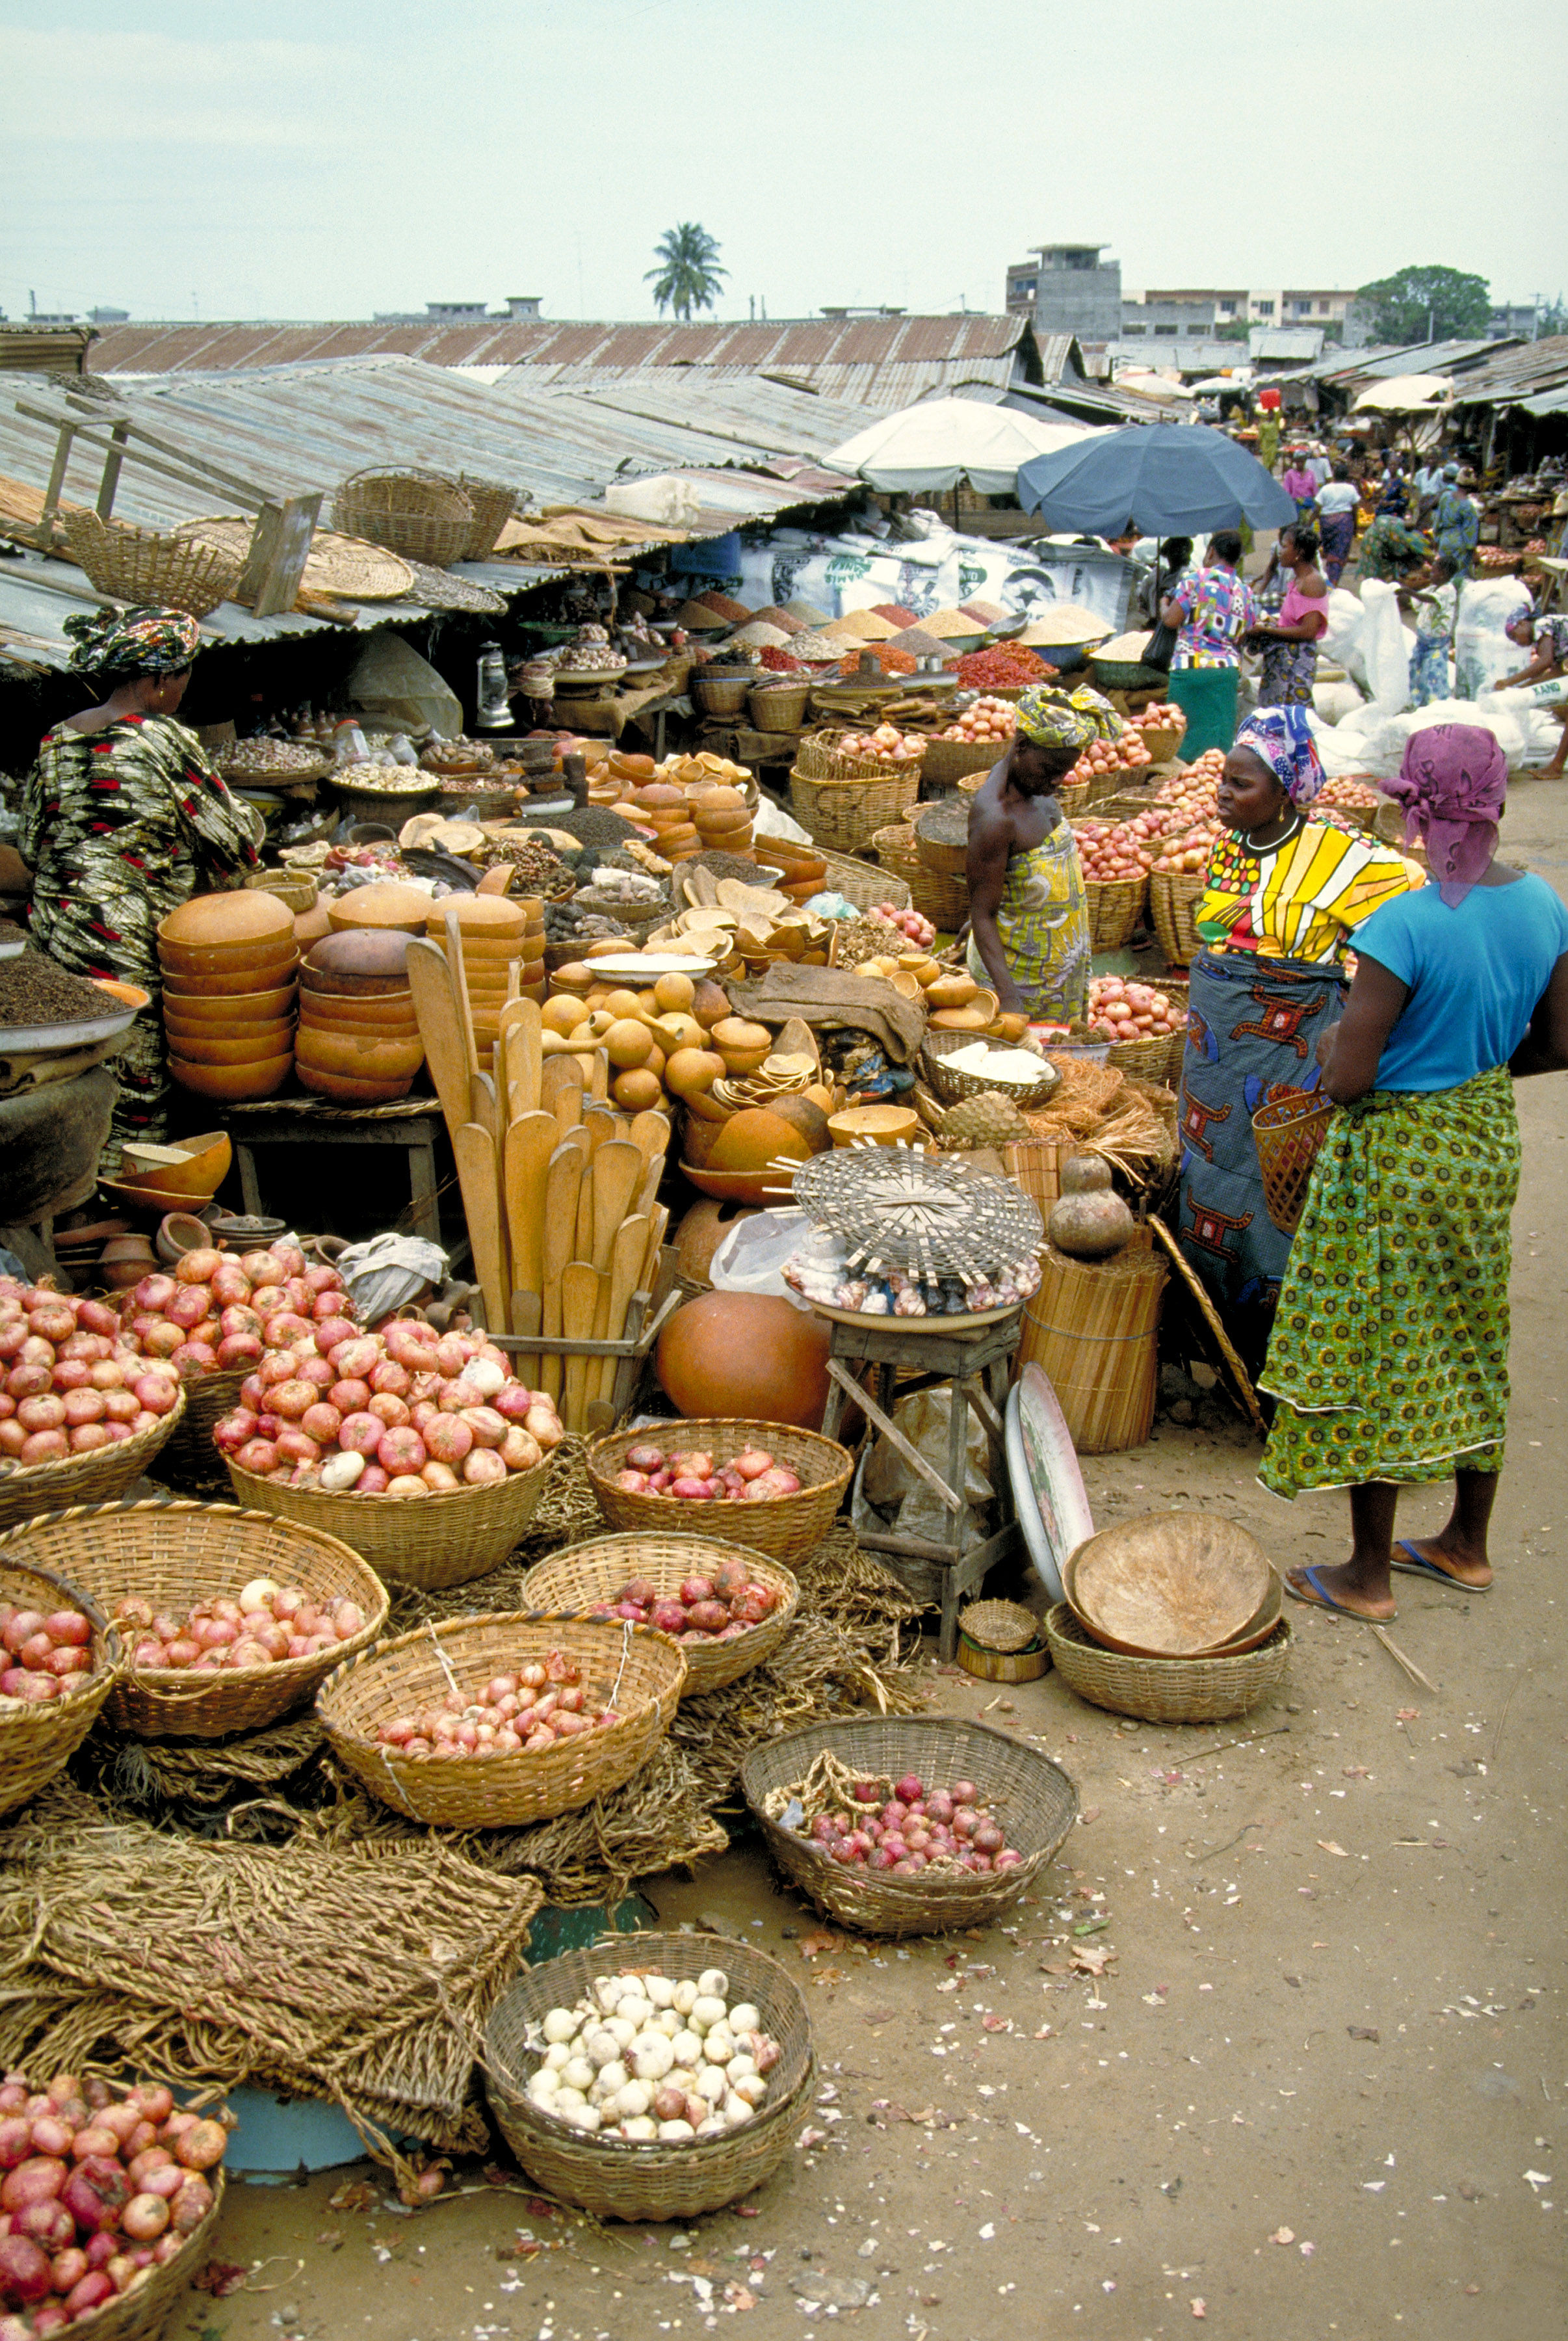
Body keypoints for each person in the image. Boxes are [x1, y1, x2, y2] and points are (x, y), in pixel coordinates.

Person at [1262, 724, 1568, 1620]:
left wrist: (1332, 1043)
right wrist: (1465, 1062)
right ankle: (1465, 1545)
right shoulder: (1544, 905)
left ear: (1415, 813)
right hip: (1480, 1137)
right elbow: (1556, 1046)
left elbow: (1347, 1078)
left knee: (1381, 1346)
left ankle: (1367, 1576)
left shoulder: (1401, 924)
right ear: (1499, 807)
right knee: (1472, 1328)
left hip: (1397, 1153)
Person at [1177, 706, 1415, 1377]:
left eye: (1243, 784)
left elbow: (1407, 925)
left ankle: (1275, 1354)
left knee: (1276, 1185)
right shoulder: (1229, 847)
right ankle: (1212, 1335)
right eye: (1223, 780)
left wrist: (1355, 1009)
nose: (1224, 792)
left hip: (1286, 1050)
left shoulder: (1342, 857)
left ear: (1287, 792)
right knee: (1206, 1172)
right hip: (1212, 1052)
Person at [19, 605, 261, 1167]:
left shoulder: (56, 740)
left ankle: (63, 1195)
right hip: (120, 938)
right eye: (182, 676)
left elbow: (34, 846)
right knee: (132, 1068)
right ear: (156, 681)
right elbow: (232, 842)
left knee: (64, 1069)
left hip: (54, 935)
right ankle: (119, 1204)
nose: (183, 686)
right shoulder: (162, 740)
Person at [964, 685, 1104, 1024]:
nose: (1059, 780)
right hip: (1022, 985)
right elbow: (982, 913)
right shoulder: (997, 818)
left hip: (1056, 974)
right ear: (1022, 747)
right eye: (1050, 769)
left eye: (1066, 770)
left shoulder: (1034, 786)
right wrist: (1010, 1000)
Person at [1250, 523, 1329, 707]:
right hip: (1283, 659)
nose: (1280, 551)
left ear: (1299, 552)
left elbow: (1309, 630)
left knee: (1289, 714)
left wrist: (1267, 631)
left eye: (1285, 546)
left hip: (1295, 662)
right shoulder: (1298, 580)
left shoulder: (1312, 582)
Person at [1494, 605, 1568, 777]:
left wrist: (1509, 681)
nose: (1519, 643)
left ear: (1522, 624)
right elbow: (1555, 674)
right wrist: (1521, 689)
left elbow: (1545, 662)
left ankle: (1556, 767)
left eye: (1515, 636)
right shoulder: (1550, 638)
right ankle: (1556, 766)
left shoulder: (1542, 624)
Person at [1405, 557, 1461, 707]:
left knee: (1433, 674)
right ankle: (1420, 702)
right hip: (1423, 642)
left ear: (1443, 574)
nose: (1431, 575)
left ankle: (1436, 705)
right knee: (1417, 672)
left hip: (1436, 644)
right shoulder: (1432, 588)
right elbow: (1418, 602)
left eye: (1434, 572)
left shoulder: (1447, 590)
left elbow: (1429, 599)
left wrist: (1408, 591)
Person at [1314, 464, 1361, 587]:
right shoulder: (1350, 489)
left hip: (1327, 524)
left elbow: (1317, 508)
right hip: (1344, 524)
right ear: (1347, 475)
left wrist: (1309, 523)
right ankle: (1333, 583)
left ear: (1334, 474)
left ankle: (1330, 580)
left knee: (1330, 553)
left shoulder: (1325, 489)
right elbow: (1355, 508)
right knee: (1339, 554)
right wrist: (1355, 526)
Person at [1431, 465, 1480, 578]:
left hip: (1445, 540)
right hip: (1459, 543)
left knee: (1445, 572)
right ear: (1470, 488)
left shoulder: (1445, 497)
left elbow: (1438, 520)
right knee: (1458, 574)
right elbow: (1470, 531)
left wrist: (1436, 539)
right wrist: (1473, 551)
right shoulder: (1468, 506)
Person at [1357, 510, 1430, 583]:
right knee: (1376, 576)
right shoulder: (1397, 532)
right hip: (1375, 548)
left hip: (1374, 543)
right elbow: (1400, 553)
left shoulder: (1398, 525)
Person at [1281, 453, 1318, 528]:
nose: (1300, 464)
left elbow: (1315, 491)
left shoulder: (1310, 474)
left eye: (1302, 461)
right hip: (1295, 506)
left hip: (1308, 506)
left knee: (1309, 529)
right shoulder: (1290, 474)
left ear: (1305, 462)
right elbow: (1286, 492)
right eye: (1298, 462)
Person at [1374, 453, 1409, 518]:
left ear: (1398, 466)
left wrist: (1390, 503)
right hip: (1382, 513)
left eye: (1395, 465)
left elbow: (1405, 501)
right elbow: (1383, 497)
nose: (1392, 467)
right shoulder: (1386, 482)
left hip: (1395, 515)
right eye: (1390, 465)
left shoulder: (1402, 482)